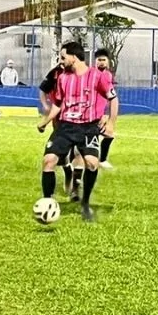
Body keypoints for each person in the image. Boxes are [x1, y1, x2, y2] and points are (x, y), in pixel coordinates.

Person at [36, 42, 118, 222]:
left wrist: (111, 123)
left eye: (63, 57)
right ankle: (47, 202)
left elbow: (113, 98)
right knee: (48, 160)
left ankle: (85, 204)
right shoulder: (63, 78)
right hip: (65, 126)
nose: (61, 61)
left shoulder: (97, 76)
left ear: (74, 57)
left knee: (92, 163)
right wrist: (45, 121)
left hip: (88, 127)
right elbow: (58, 104)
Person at [38, 58, 85, 201]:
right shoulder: (56, 73)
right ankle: (67, 171)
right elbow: (43, 89)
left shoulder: (85, 73)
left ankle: (75, 191)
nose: (62, 60)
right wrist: (46, 106)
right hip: (60, 121)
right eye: (61, 57)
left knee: (78, 153)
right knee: (59, 157)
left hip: (80, 121)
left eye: (64, 57)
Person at [94, 49, 117, 170]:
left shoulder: (108, 75)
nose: (101, 62)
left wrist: (106, 114)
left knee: (108, 135)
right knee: (108, 135)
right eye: (99, 60)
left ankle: (101, 160)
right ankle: (101, 160)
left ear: (108, 62)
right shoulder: (92, 74)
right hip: (92, 113)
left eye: (103, 60)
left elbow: (110, 96)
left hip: (101, 112)